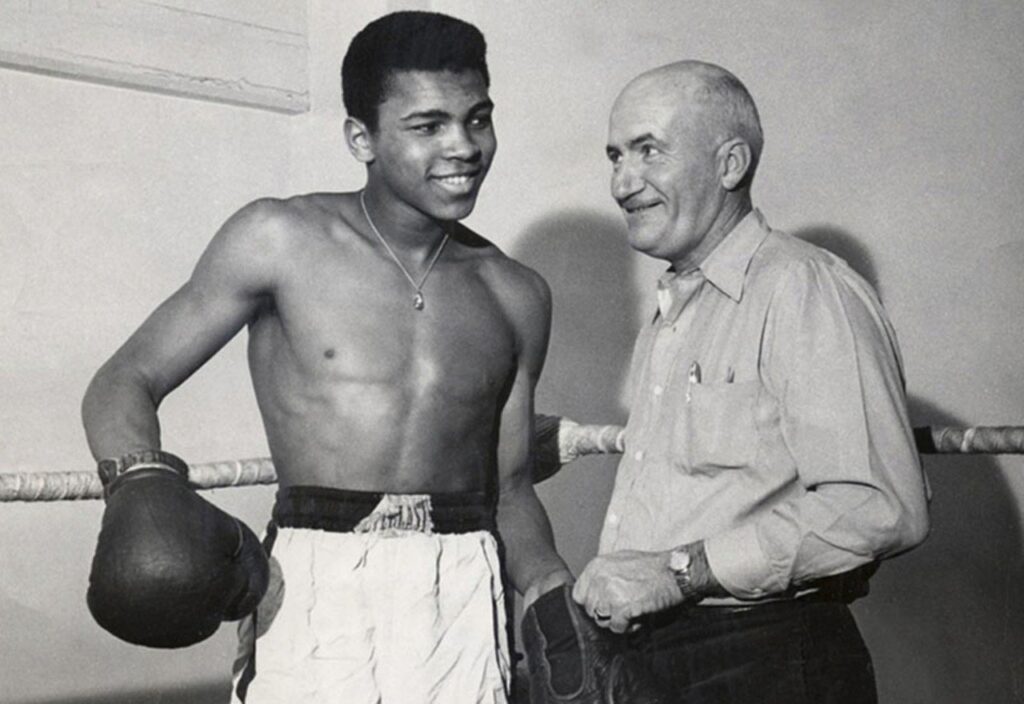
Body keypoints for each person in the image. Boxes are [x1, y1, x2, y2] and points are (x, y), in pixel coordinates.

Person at [80, 11, 582, 704]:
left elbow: (514, 489)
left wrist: (555, 595)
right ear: (361, 138)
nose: (463, 146)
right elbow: (123, 381)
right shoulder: (280, 238)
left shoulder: (517, 294)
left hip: (462, 585)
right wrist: (143, 490)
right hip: (314, 578)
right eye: (428, 125)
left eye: (478, 119)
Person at [570, 60, 932, 703]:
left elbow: (879, 505)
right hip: (654, 662)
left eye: (648, 150)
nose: (623, 182)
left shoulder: (804, 287)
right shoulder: (678, 307)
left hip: (763, 659)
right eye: (615, 156)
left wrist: (682, 573)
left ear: (730, 164)